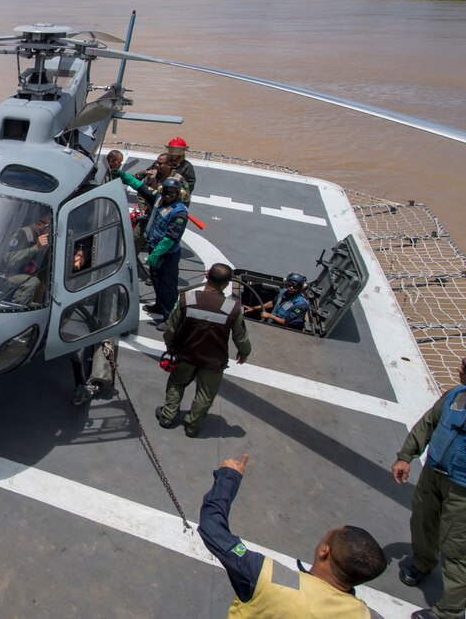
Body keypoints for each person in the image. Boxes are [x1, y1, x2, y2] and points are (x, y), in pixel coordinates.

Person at [201, 454, 388, 617]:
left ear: (324, 552)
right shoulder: (365, 615)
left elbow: (213, 529)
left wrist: (229, 477)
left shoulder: (265, 576)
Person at [390, 355, 466, 619]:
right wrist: (406, 455)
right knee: (422, 519)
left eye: (465, 368)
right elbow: (429, 423)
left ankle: (450, 612)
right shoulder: (456, 394)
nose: (459, 369)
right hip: (434, 473)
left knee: (457, 549)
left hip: (463, 489)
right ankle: (422, 562)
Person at [156, 263, 251, 437]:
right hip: (213, 361)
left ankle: (167, 417)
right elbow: (241, 336)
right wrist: (244, 352)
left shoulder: (187, 299)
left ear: (207, 275)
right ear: (226, 284)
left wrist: (170, 345)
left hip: (185, 354)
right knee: (205, 394)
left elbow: (171, 328)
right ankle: (192, 426)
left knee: (177, 384)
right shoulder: (232, 308)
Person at [112, 171, 188, 323]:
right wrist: (125, 177)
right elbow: (141, 188)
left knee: (167, 286)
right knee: (156, 280)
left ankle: (169, 320)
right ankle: (160, 306)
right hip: (155, 248)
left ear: (178, 194)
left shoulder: (179, 213)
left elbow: (170, 238)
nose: (167, 196)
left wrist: (155, 254)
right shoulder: (159, 199)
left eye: (171, 194)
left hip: (167, 254)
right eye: (165, 192)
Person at [1, 211, 52, 305]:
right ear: (39, 224)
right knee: (32, 282)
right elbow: (9, 260)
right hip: (7, 277)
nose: (50, 231)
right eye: (49, 226)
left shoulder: (45, 240)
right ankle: (18, 309)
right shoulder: (23, 234)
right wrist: (35, 248)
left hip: (24, 278)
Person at [167, 136, 197, 204]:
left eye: (177, 151)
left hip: (178, 198)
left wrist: (180, 192)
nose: (174, 154)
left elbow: (190, 184)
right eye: (172, 150)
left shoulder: (187, 166)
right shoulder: (163, 161)